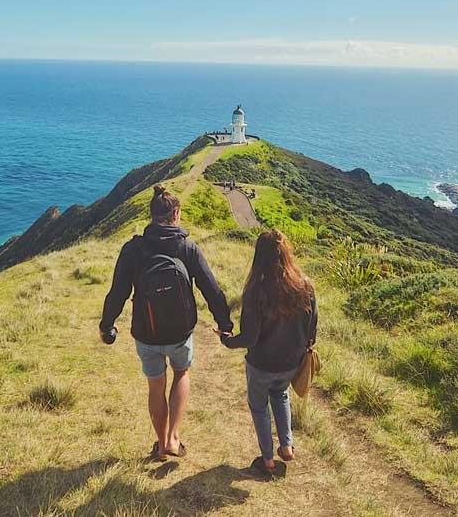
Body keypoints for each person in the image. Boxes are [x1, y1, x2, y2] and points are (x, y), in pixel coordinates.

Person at [101, 184, 233, 461]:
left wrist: (107, 326)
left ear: (151, 215)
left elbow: (118, 293)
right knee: (182, 373)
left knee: (156, 386)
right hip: (180, 332)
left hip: (146, 333)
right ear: (176, 214)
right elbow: (212, 289)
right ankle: (173, 438)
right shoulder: (188, 248)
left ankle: (161, 444)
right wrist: (225, 324)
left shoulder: (133, 249)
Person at [216, 229, 318, 477]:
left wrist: (227, 341)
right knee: (281, 395)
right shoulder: (305, 286)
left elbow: (250, 338)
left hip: (261, 365)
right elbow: (312, 330)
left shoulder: (256, 290)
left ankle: (268, 460)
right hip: (291, 363)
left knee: (259, 407)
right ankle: (287, 445)